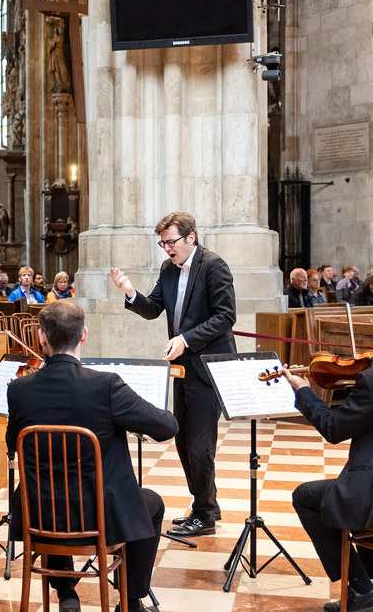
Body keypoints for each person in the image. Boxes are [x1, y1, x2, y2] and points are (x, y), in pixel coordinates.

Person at [6, 300, 178, 612]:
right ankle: (131, 601)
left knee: (53, 490)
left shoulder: (19, 389)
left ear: (41, 337)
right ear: (83, 334)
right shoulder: (106, 385)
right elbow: (167, 427)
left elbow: (11, 444)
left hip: (40, 517)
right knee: (152, 502)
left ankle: (66, 593)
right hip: (99, 518)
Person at [111, 211, 236, 537]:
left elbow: (226, 316)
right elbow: (153, 308)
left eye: (171, 242)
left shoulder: (214, 266)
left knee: (200, 445)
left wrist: (186, 338)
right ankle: (207, 503)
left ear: (190, 237)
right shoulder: (169, 269)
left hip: (208, 368)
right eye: (163, 243)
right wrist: (129, 291)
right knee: (183, 441)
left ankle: (204, 516)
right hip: (183, 369)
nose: (167, 249)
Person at [281, 304, 373, 612]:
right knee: (357, 495)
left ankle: (363, 590)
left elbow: (334, 429)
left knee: (307, 497)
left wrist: (304, 391)